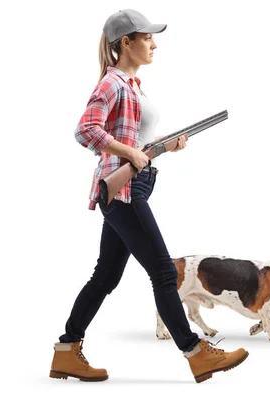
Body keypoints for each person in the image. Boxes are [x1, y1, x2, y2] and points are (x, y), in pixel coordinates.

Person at [50, 9, 249, 384]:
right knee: (162, 271)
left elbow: (134, 142)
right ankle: (195, 353)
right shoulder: (113, 84)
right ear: (127, 43)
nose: (154, 44)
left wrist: (161, 147)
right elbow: (85, 130)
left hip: (133, 187)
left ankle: (66, 352)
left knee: (105, 278)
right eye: (147, 37)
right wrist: (129, 154)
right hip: (123, 191)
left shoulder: (133, 86)